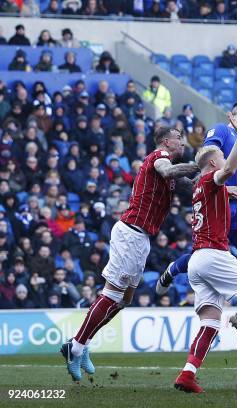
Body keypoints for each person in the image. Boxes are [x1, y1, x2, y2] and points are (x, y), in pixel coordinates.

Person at [60, 127, 199, 382]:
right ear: (166, 141)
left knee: (124, 299)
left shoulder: (170, 172)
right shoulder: (158, 157)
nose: (183, 142)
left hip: (141, 239)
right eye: (179, 138)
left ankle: (83, 341)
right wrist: (195, 164)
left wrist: (218, 176)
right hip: (130, 233)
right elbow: (169, 170)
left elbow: (193, 187)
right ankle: (76, 346)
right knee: (112, 294)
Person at [156, 101, 237, 347]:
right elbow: (207, 165)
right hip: (217, 202)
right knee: (210, 253)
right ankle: (175, 268)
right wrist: (225, 188)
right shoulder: (220, 131)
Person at [174, 112, 237, 393]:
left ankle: (187, 374)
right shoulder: (210, 181)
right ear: (212, 163)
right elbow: (229, 172)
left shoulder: (202, 189)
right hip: (213, 254)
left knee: (210, 322)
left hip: (197, 260)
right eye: (222, 157)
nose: (227, 160)